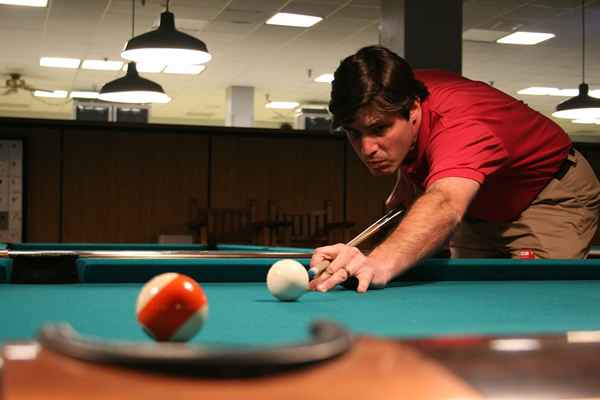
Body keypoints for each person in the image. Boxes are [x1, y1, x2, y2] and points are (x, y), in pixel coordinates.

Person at [310, 45, 600, 293]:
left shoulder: (460, 127)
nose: (367, 148)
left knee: (534, 299)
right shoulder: (397, 89)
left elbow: (446, 201)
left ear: (413, 111)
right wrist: (407, 179)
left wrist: (376, 261)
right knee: (467, 296)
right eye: (354, 132)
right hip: (479, 201)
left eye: (379, 129)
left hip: (546, 194)